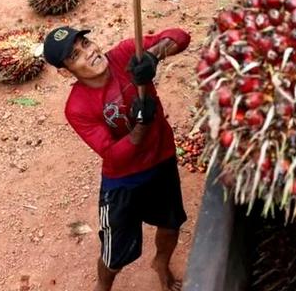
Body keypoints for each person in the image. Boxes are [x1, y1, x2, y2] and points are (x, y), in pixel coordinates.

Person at [43, 26, 191, 291]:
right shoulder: (76, 108)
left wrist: (153, 56)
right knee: (114, 256)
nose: (89, 53)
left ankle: (161, 262)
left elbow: (180, 36)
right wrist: (141, 126)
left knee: (170, 226)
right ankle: (102, 287)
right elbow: (113, 155)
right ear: (66, 72)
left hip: (162, 160)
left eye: (86, 43)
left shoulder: (125, 54)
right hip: (124, 181)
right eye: (76, 55)